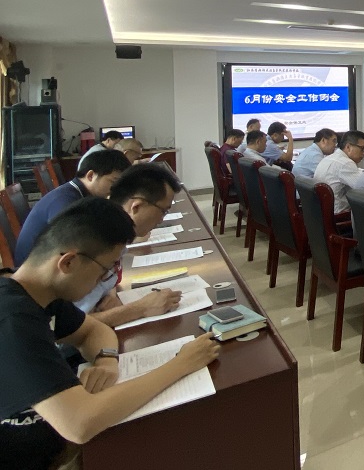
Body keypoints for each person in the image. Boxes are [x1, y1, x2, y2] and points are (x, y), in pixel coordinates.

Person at [0, 197, 219, 470]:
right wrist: (181, 365)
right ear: (68, 263)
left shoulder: (38, 292)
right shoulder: (12, 320)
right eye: (105, 271)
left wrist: (106, 360)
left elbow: (94, 330)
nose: (104, 282)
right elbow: (79, 424)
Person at [77, 164, 186, 324]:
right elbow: (65, 330)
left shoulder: (115, 231)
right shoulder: (90, 243)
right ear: (136, 206)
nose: (161, 220)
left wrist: (109, 291)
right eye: (163, 211)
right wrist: (141, 308)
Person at [15, 150, 132, 265]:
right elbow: (72, 243)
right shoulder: (65, 199)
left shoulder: (80, 194)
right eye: (113, 181)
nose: (116, 189)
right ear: (91, 175)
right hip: (36, 269)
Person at [313, 131, 364, 213]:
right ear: (348, 147)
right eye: (362, 149)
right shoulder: (346, 163)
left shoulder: (329, 158)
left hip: (321, 211)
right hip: (338, 214)